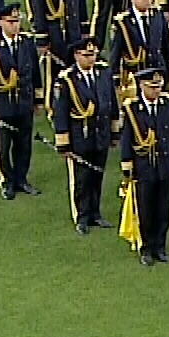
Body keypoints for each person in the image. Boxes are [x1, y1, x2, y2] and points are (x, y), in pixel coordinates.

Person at [50, 40, 117, 233]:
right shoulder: (67, 80)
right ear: (77, 55)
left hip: (100, 134)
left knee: (97, 176)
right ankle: (81, 216)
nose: (91, 58)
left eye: (93, 54)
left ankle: (95, 213)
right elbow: (60, 113)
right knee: (81, 180)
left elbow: (111, 102)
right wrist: (63, 143)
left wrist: (114, 132)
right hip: (79, 137)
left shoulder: (103, 72)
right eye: (87, 55)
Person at [0, 4, 42, 200]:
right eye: (11, 22)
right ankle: (7, 181)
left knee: (24, 144)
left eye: (17, 21)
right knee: (4, 147)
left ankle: (22, 178)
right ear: (1, 23)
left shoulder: (27, 43)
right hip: (4, 106)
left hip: (24, 104)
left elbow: (35, 73)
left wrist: (38, 99)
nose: (15, 26)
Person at [119, 68, 169, 265]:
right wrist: (127, 166)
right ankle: (146, 247)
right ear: (141, 86)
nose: (156, 90)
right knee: (145, 208)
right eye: (152, 86)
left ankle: (160, 246)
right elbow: (127, 139)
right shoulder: (132, 109)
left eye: (159, 86)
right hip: (143, 166)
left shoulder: (166, 104)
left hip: (164, 164)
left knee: (163, 208)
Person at [110, 0, 169, 95]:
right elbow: (116, 51)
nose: (146, 1)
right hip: (136, 73)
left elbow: (165, 44)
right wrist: (116, 77)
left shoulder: (158, 15)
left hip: (157, 70)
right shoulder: (124, 21)